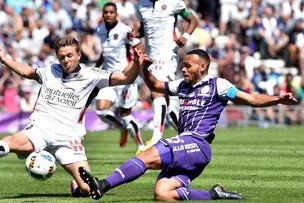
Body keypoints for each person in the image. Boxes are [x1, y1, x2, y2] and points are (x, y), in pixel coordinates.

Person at [78, 49, 298, 201]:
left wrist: (278, 99)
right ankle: (213, 194)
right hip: (187, 149)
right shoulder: (182, 85)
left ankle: (103, 185)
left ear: (203, 67)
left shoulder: (218, 85)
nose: (183, 69)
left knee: (146, 156)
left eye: (187, 66)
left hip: (197, 143)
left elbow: (250, 99)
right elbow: (155, 84)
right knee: (162, 193)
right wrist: (142, 67)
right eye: (182, 66)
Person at [0, 36, 149, 197]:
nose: (66, 60)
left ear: (78, 55)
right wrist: (4, 59)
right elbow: (27, 71)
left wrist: (136, 63)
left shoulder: (92, 75)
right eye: (62, 57)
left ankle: (77, 186)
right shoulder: (50, 71)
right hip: (40, 128)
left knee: (88, 189)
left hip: (67, 138)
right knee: (14, 143)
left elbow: (126, 78)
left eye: (69, 56)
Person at [136, 0, 198, 147]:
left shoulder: (174, 2)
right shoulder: (142, 5)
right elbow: (144, 29)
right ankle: (189, 135)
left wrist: (185, 37)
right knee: (167, 106)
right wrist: (135, 34)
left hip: (168, 53)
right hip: (151, 54)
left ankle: (156, 138)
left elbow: (193, 20)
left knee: (156, 91)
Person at [94, 2, 145, 152]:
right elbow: (105, 53)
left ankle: (141, 147)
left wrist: (132, 69)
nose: (108, 15)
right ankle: (122, 127)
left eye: (111, 12)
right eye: (106, 12)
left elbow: (138, 49)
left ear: (116, 14)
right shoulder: (100, 29)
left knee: (126, 114)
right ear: (103, 14)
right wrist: (95, 69)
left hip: (125, 77)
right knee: (101, 111)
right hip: (109, 77)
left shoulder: (124, 29)